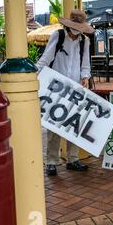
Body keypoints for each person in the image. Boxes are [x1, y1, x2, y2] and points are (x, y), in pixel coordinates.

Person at [36, 10, 95, 176]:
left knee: (74, 124)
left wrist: (85, 77)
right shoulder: (58, 35)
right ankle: (52, 162)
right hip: (56, 86)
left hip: (75, 88)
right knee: (53, 125)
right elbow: (46, 58)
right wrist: (35, 74)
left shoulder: (85, 41)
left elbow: (85, 64)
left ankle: (73, 158)